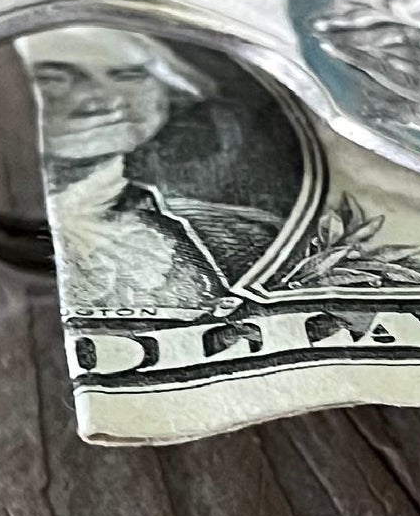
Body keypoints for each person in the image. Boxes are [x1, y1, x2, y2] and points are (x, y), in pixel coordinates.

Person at [24, 27, 293, 313]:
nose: (102, 98)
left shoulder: (247, 236)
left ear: (169, 91)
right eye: (52, 80)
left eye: (129, 76)